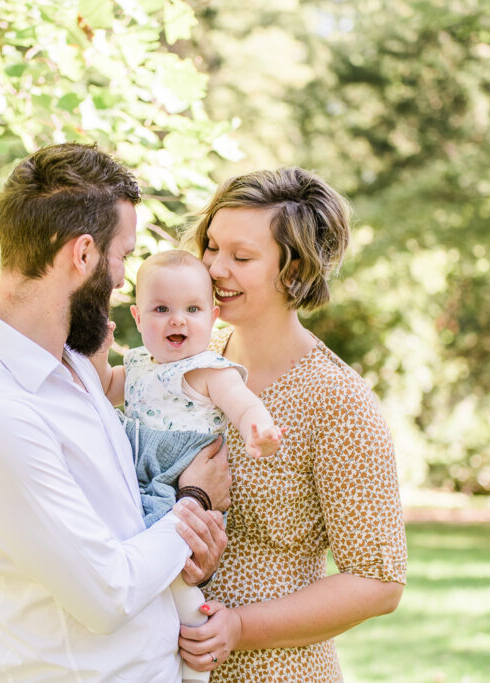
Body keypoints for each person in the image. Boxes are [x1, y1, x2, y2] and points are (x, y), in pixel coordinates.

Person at [0, 142, 231, 682]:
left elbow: (123, 530)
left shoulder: (74, 363)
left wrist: (186, 551)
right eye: (123, 257)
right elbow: (106, 593)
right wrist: (195, 504)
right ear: (84, 255)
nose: (121, 281)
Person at [176, 168, 408, 682]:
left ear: (294, 269)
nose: (214, 268)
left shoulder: (337, 401)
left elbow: (379, 581)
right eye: (211, 246)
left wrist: (239, 627)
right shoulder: (191, 358)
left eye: (241, 257)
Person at [94, 249, 284, 683]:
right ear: (138, 318)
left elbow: (242, 403)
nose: (177, 320)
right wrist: (99, 350)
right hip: (139, 473)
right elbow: (103, 388)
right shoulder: (138, 363)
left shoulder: (208, 370)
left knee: (175, 578)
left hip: (179, 475)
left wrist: (258, 429)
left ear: (213, 318)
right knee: (130, 563)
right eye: (161, 309)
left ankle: (196, 659)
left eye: (193, 310)